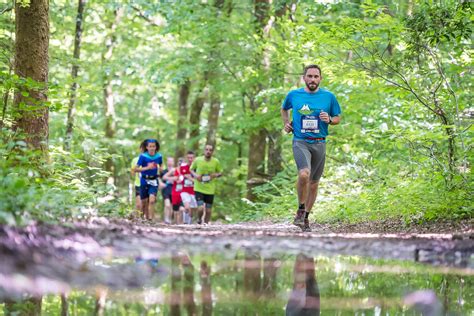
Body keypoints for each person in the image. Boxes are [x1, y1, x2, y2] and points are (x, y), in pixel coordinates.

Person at [281, 64, 341, 232]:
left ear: (320, 79)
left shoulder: (329, 97)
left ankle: (306, 217)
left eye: (316, 76)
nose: (313, 79)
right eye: (310, 76)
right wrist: (286, 124)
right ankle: (300, 209)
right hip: (300, 141)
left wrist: (329, 119)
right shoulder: (294, 95)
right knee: (304, 173)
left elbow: (338, 118)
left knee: (314, 183)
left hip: (320, 142)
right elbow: (284, 108)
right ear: (304, 78)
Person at [191, 144, 222, 224]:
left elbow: (220, 172)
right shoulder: (197, 160)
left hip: (210, 189)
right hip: (199, 188)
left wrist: (215, 175)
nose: (208, 151)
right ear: (204, 151)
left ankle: (206, 225)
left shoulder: (216, 161)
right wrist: (196, 175)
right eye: (207, 149)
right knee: (201, 208)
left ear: (212, 152)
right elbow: (191, 170)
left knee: (208, 210)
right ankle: (199, 219)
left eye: (210, 150)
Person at [135, 139, 163, 221]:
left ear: (156, 147)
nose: (152, 148)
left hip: (154, 180)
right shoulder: (143, 156)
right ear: (147, 147)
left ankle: (150, 219)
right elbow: (135, 169)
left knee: (152, 200)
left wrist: (161, 169)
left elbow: (161, 165)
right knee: (144, 202)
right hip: (144, 180)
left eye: (153, 146)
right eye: (150, 146)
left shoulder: (159, 156)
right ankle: (142, 218)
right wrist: (147, 167)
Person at [130, 140, 147, 215]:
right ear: (140, 149)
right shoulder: (135, 160)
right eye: (142, 148)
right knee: (138, 204)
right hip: (138, 184)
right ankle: (138, 220)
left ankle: (143, 219)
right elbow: (132, 172)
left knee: (145, 204)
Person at [160, 157, 175, 224]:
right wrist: (161, 184)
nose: (170, 162)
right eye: (169, 161)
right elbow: (159, 179)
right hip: (166, 190)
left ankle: (170, 219)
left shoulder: (176, 171)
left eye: (171, 161)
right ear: (167, 162)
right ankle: (166, 219)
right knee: (167, 205)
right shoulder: (164, 171)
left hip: (174, 190)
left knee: (171, 207)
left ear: (173, 162)